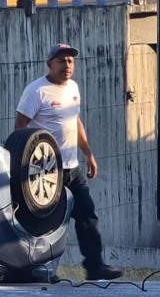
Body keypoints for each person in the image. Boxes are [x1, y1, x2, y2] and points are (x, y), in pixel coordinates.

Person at [15, 43, 123, 281]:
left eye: (70, 61)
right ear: (50, 64)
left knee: (87, 214)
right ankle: (37, 269)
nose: (67, 65)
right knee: (44, 221)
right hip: (46, 170)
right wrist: (25, 163)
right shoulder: (36, 91)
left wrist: (89, 154)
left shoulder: (73, 87)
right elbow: (21, 127)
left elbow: (75, 121)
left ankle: (95, 267)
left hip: (72, 168)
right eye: (61, 61)